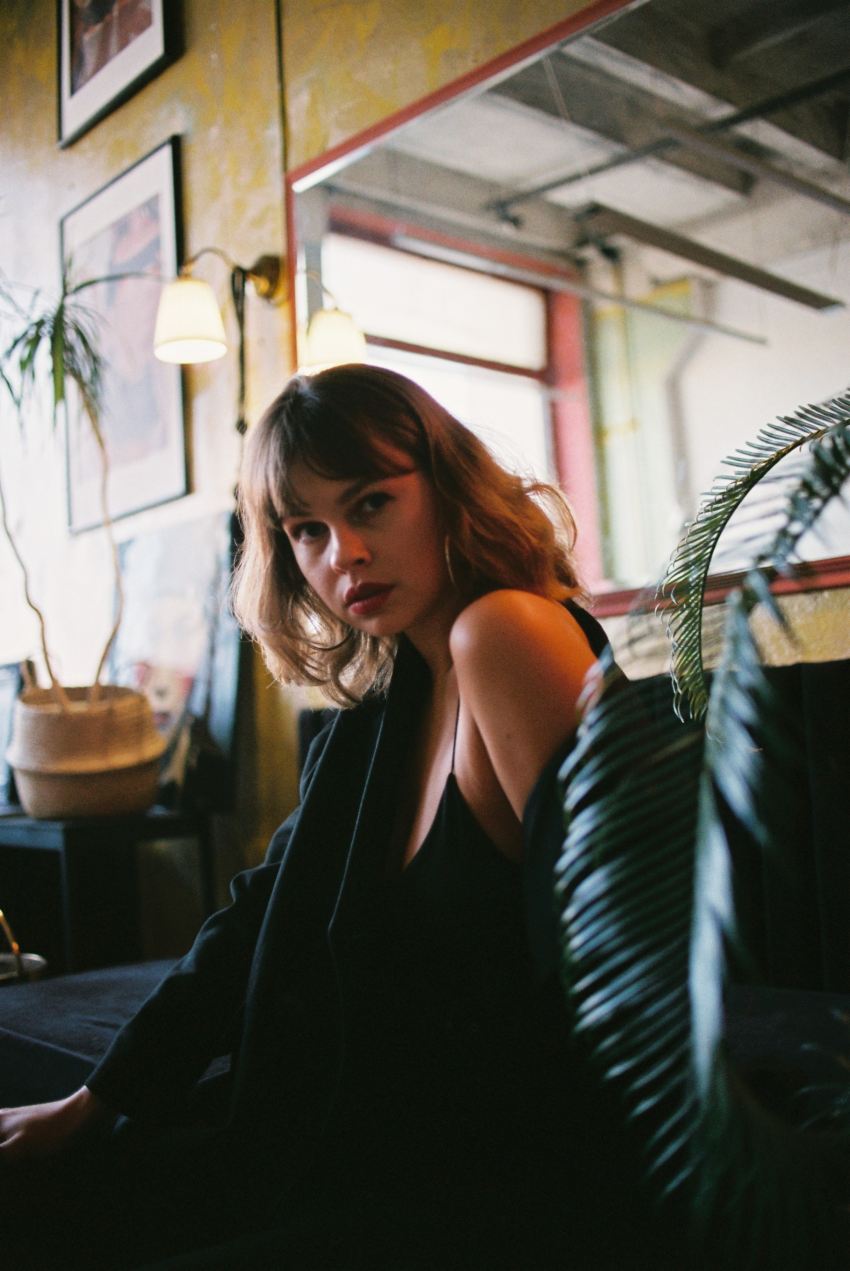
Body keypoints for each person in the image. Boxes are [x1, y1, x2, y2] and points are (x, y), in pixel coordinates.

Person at [0, 366, 677, 1269]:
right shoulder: (384, 705)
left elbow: (627, 958)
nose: (342, 554)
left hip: (489, 1174)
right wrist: (95, 1102)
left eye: (372, 504)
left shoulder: (507, 632)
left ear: (447, 488)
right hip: (359, 1132)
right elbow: (255, 917)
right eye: (307, 529)